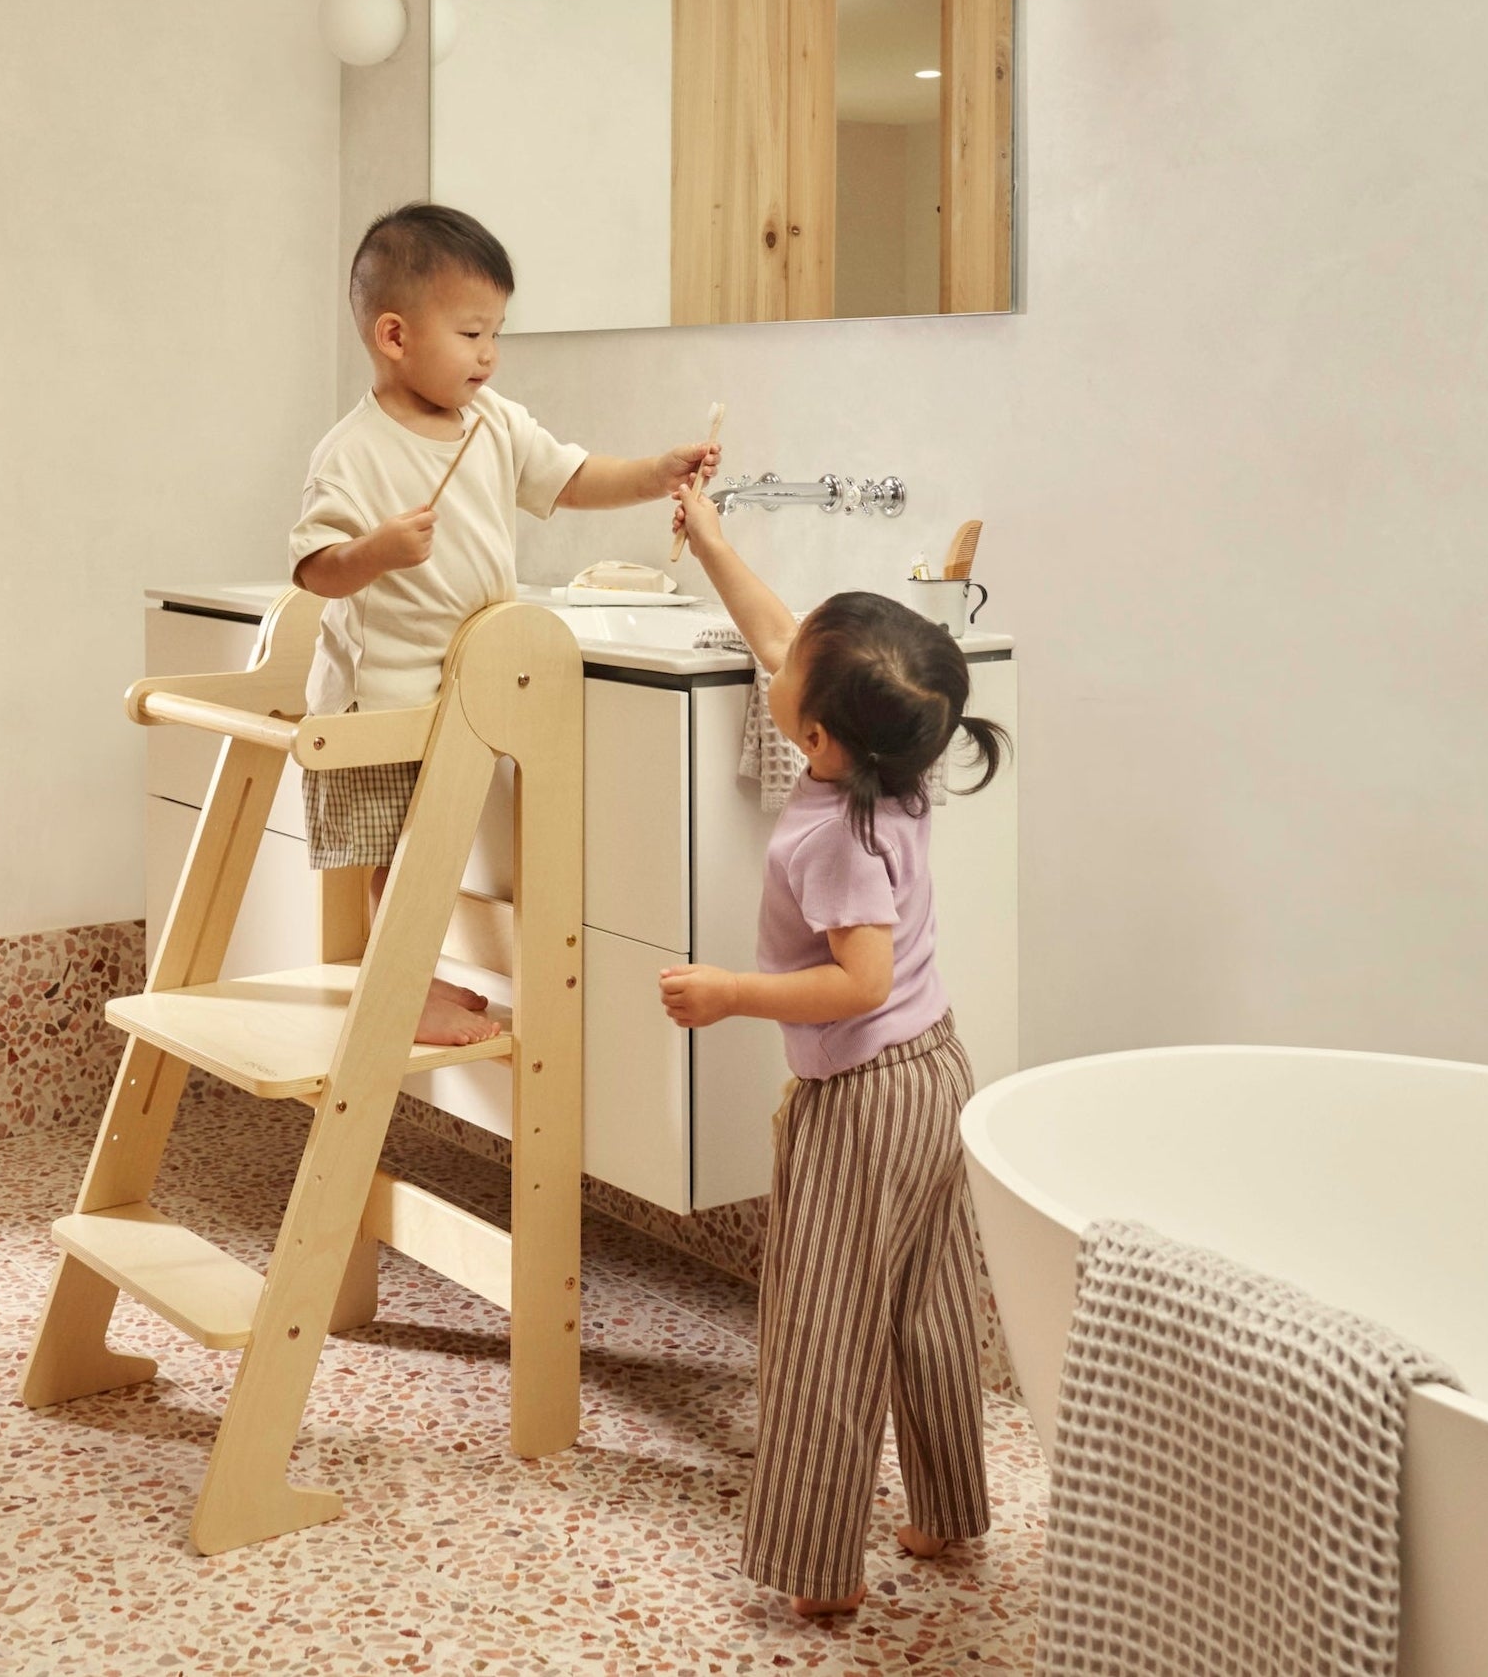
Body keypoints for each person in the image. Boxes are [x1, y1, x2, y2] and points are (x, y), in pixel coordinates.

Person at [660, 470, 1008, 1618]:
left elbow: (854, 981)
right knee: (927, 1298)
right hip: (934, 1072)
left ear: (812, 734)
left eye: (792, 668)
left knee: (822, 1318)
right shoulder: (884, 762)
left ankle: (816, 1568)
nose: (778, 649)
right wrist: (708, 536)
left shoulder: (836, 836)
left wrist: (730, 992)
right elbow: (780, 630)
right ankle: (947, 1509)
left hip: (862, 1096)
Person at [291, 202, 715, 1045]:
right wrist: (376, 549)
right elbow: (314, 566)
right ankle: (399, 991)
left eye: (497, 334)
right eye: (472, 333)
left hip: (470, 692)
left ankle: (412, 979)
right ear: (395, 335)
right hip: (384, 700)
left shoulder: (495, 424)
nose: (490, 355)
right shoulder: (353, 451)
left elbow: (573, 478)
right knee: (402, 861)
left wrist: (657, 473)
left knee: (440, 852)